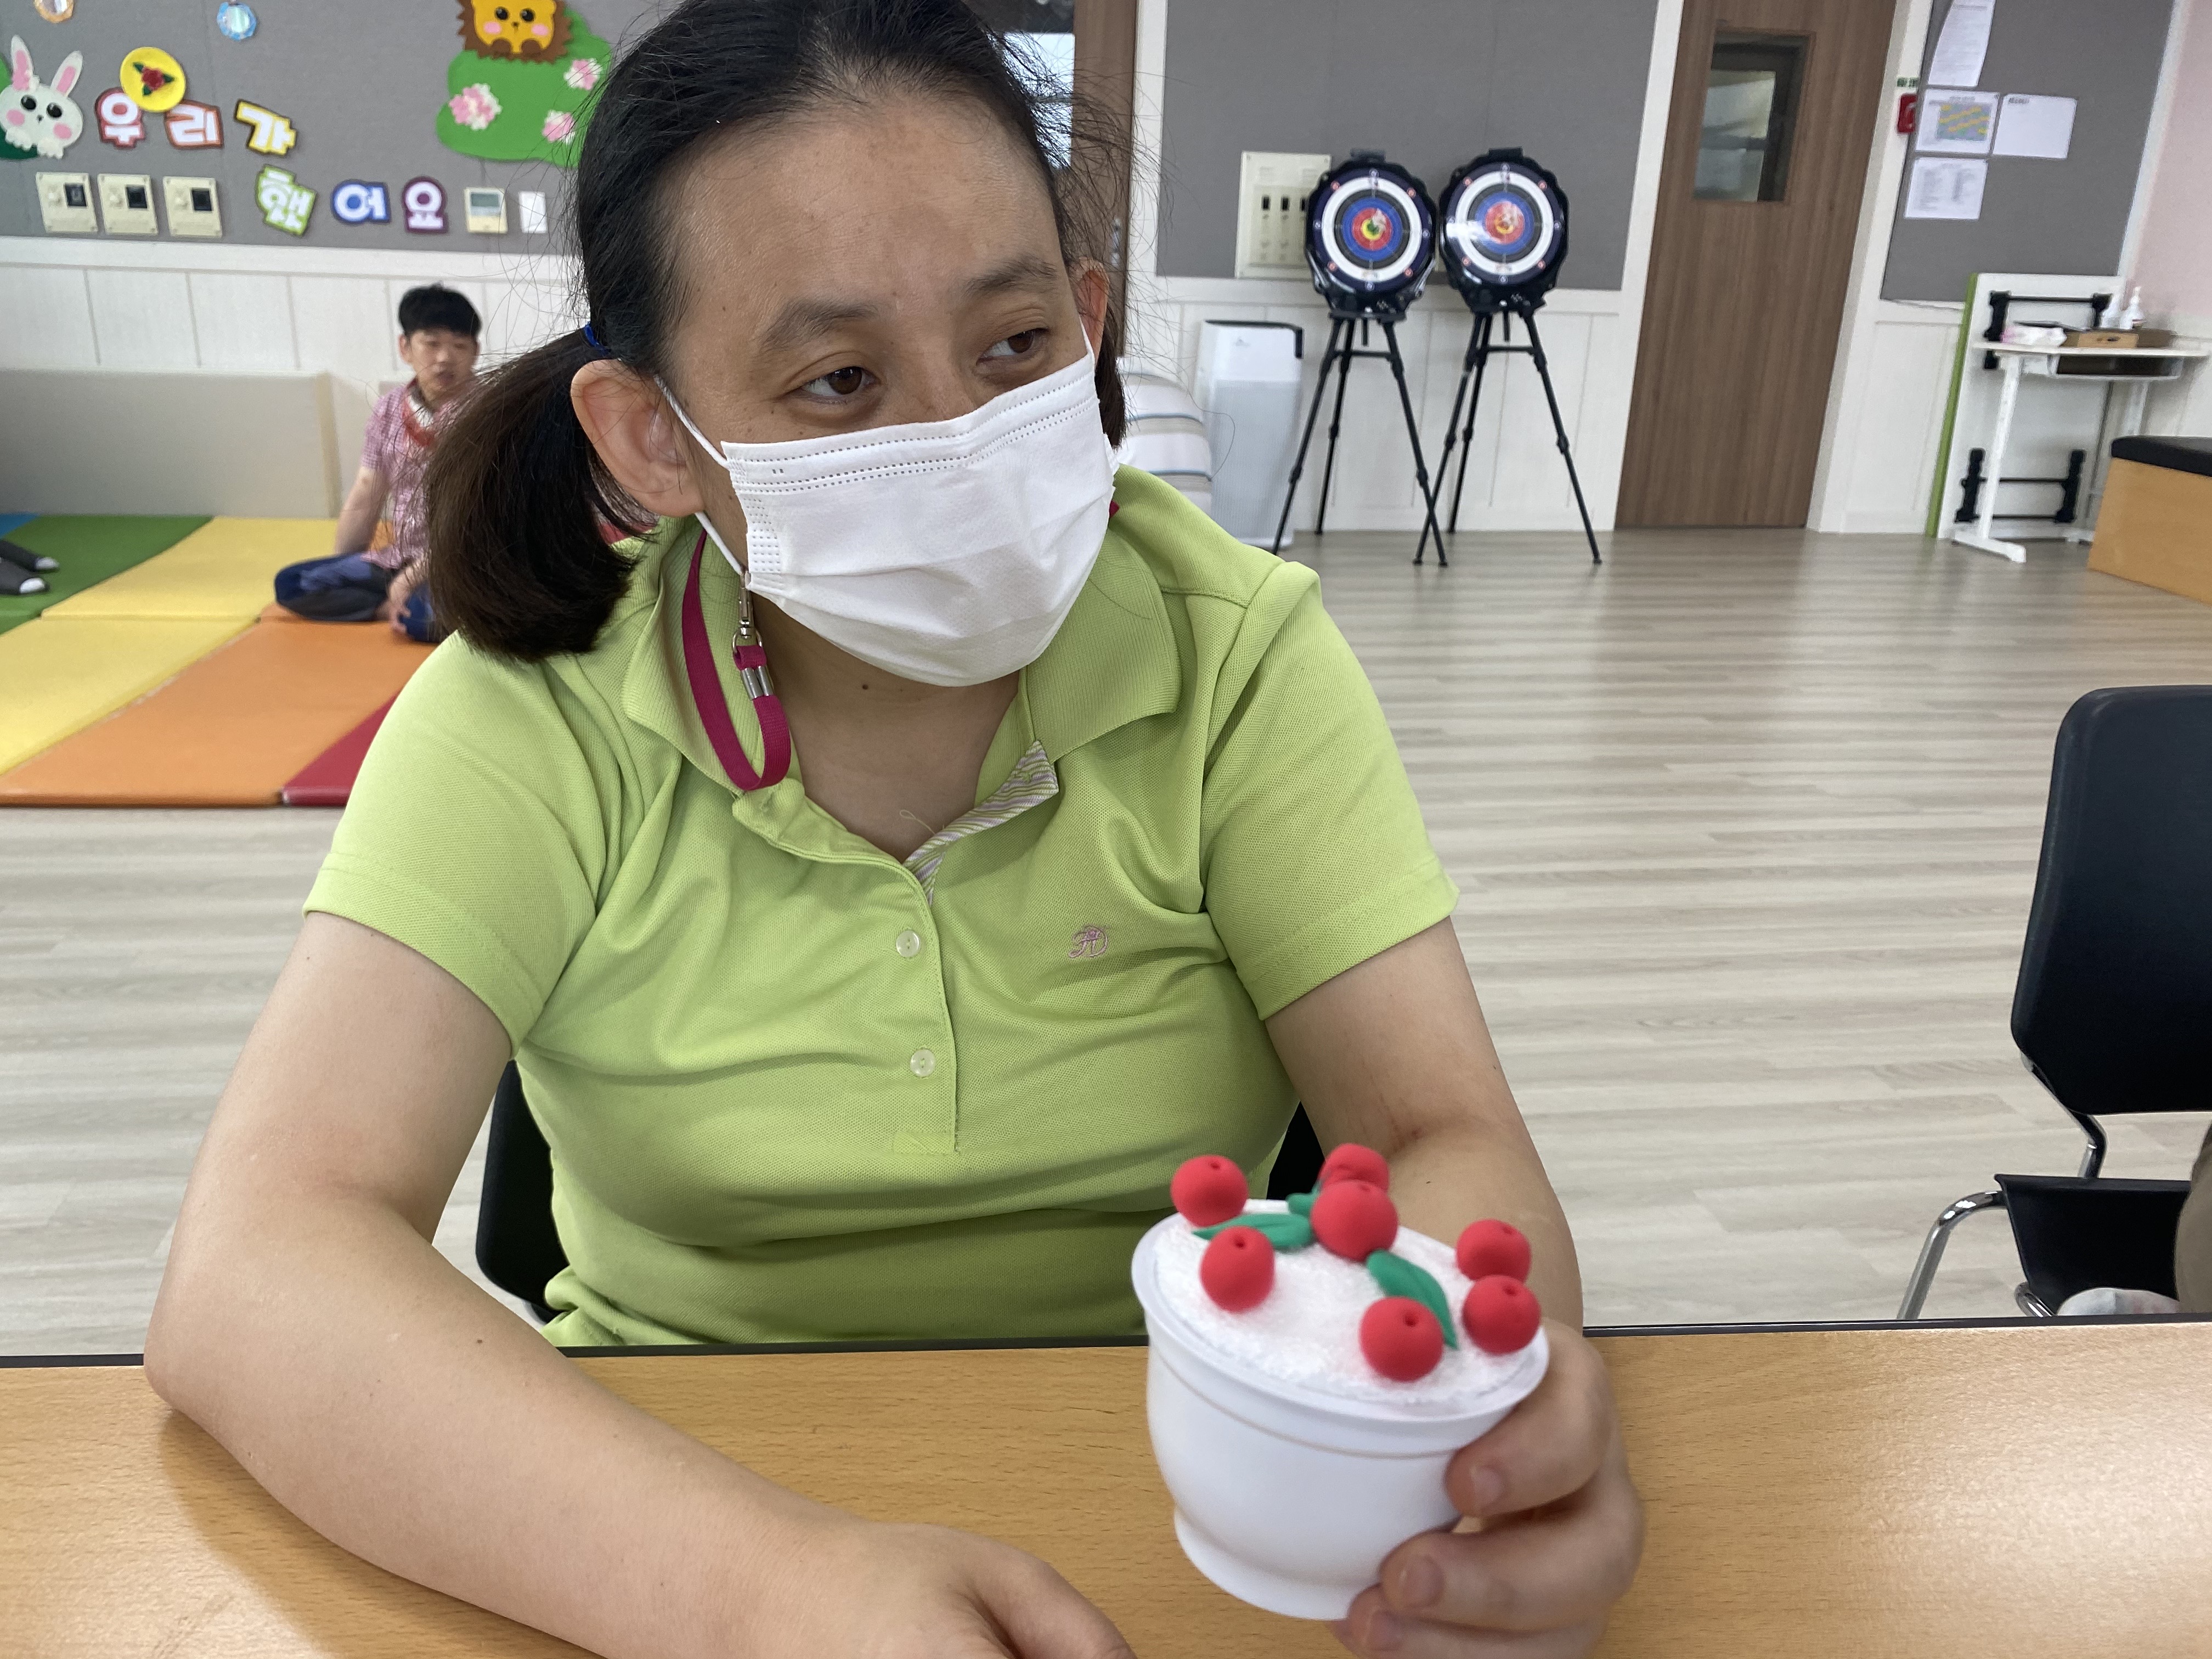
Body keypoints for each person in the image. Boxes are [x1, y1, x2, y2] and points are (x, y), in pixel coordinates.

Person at [145, 4, 1644, 1656]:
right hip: (638, 1510)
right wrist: (765, 1593)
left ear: (1090, 325)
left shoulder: (1241, 658)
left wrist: (1452, 1430)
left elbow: (1444, 1132)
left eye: (1012, 347)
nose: (957, 438)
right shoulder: (536, 715)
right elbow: (258, 1263)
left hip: (1175, 1495)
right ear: (654, 435)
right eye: (840, 380)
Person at [270, 284, 482, 642]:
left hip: (462, 563)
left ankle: (407, 606)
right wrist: (343, 567)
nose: (445, 358)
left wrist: (413, 577)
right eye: (431, 344)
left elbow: (481, 520)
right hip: (399, 558)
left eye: (459, 346)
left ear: (475, 351)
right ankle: (389, 608)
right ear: (405, 348)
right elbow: (366, 493)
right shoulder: (389, 409)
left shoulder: (490, 412)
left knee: (431, 617)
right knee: (294, 583)